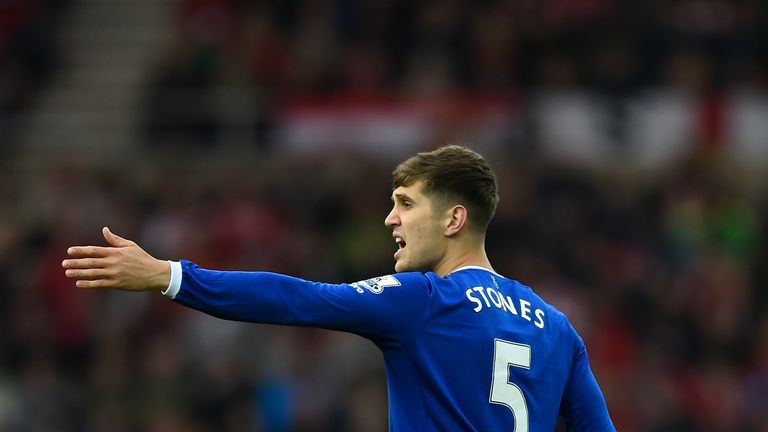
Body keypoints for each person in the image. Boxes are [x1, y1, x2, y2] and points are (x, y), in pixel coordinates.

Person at [62, 145, 616, 431]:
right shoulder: (556, 327)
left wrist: (170, 275)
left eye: (405, 204)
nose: (388, 221)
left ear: (453, 220)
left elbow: (296, 298)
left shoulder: (423, 299)